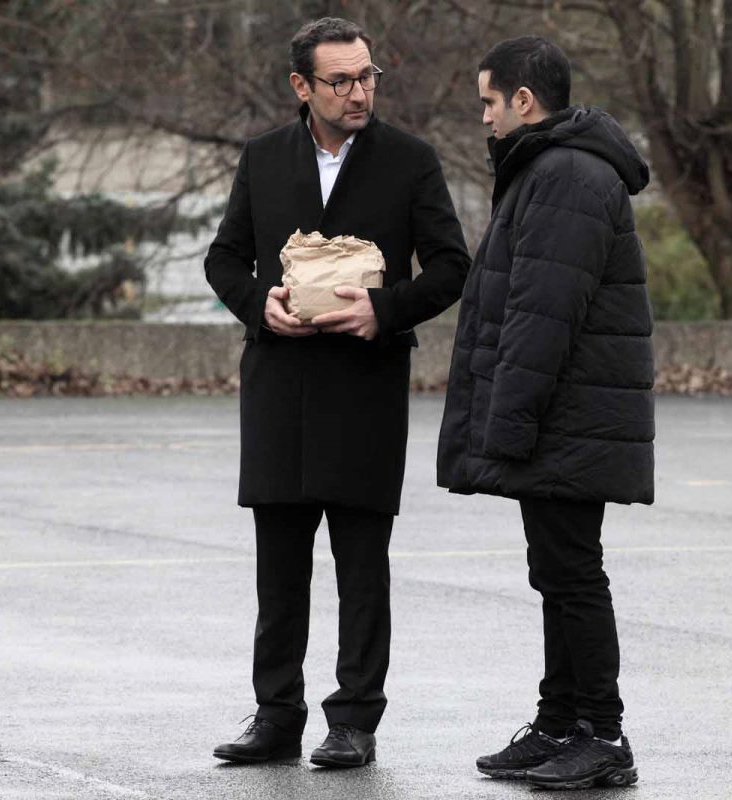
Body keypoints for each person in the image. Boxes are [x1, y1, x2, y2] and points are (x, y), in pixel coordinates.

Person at [204, 17, 470, 769]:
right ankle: (275, 715)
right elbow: (223, 259)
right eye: (342, 80)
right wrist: (260, 305)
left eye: (368, 77)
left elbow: (452, 266)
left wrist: (383, 310)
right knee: (280, 568)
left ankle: (353, 720)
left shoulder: (409, 160)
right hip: (280, 389)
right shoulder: (263, 158)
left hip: (364, 387)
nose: (360, 92)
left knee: (361, 567)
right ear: (302, 86)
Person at [436, 36, 654, 790]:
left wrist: (510, 422)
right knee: (556, 570)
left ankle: (605, 735)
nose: (484, 118)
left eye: (489, 102)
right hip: (566, 415)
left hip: (569, 416)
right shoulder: (552, 167)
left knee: (573, 573)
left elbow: (544, 314)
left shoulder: (566, 174)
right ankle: (561, 722)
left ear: (524, 100)